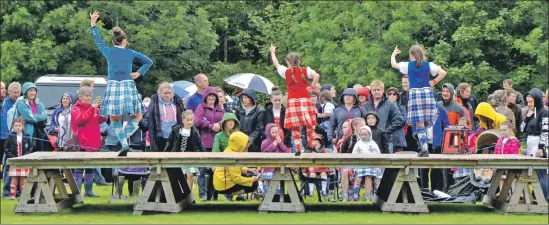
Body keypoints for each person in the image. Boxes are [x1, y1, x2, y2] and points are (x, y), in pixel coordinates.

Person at [89, 11, 153, 156]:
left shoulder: (108, 51)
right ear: (125, 41)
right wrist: (139, 72)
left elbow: (98, 41)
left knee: (114, 119)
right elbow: (149, 61)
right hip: (127, 85)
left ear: (113, 42)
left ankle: (123, 142)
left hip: (113, 86)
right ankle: (124, 140)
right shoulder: (131, 53)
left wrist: (93, 25)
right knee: (138, 116)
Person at [391, 45, 447, 157]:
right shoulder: (429, 65)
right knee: (426, 119)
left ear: (411, 55)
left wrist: (393, 54)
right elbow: (443, 73)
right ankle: (420, 136)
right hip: (427, 93)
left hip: (415, 93)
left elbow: (394, 64)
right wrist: (434, 82)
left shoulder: (408, 65)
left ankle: (423, 146)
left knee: (419, 122)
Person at [270, 44, 320, 155]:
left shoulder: (286, 72)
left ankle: (298, 147)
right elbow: (317, 76)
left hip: (292, 101)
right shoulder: (305, 70)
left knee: (295, 126)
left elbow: (276, 64)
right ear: (299, 61)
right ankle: (310, 144)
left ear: (288, 62)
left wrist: (272, 52)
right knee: (309, 123)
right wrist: (311, 87)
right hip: (304, 100)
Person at [71, 86, 107, 197]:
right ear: (80, 97)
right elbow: (80, 120)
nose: (89, 97)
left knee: (90, 167)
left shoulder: (94, 108)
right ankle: (77, 192)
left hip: (94, 143)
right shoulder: (75, 108)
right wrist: (92, 108)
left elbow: (102, 119)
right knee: (79, 168)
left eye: (90, 95)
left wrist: (103, 109)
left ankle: (88, 191)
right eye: (87, 95)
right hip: (82, 143)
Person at [194, 87, 224, 201]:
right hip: (204, 142)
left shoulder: (220, 109)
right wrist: (211, 126)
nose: (211, 98)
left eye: (213, 96)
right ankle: (202, 194)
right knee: (203, 170)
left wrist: (219, 125)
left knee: (215, 170)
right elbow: (197, 121)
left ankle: (213, 195)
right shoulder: (201, 107)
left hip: (217, 142)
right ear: (206, 97)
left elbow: (225, 120)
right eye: (209, 96)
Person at [164, 111, 204, 197]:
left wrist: (204, 154)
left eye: (191, 120)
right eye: (188, 120)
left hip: (190, 156)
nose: (189, 122)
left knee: (190, 174)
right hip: (177, 155)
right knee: (179, 175)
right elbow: (170, 142)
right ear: (183, 120)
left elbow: (200, 144)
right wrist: (165, 153)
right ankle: (179, 194)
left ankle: (188, 195)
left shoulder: (194, 131)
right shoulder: (176, 129)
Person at [521, 88, 548, 200]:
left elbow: (546, 131)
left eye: (531, 102)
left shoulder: (544, 113)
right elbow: (522, 129)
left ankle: (546, 197)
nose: (529, 104)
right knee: (535, 174)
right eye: (527, 102)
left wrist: (541, 147)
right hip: (531, 143)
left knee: (542, 173)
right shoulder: (530, 113)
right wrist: (527, 117)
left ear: (536, 100)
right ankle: (538, 196)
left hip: (539, 144)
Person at [213, 131, 259, 196]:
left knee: (250, 176)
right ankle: (230, 194)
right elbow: (237, 178)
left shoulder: (230, 149)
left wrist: (248, 170)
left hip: (221, 182)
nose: (247, 148)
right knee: (254, 184)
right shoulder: (233, 157)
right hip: (224, 185)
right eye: (245, 146)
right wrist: (251, 180)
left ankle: (231, 194)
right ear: (240, 145)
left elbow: (236, 169)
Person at [419, 104, 450, 191]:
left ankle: (436, 192)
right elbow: (415, 124)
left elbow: (447, 126)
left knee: (436, 170)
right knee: (423, 170)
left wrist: (442, 139)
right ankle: (424, 193)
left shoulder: (440, 109)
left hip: (437, 144)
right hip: (424, 145)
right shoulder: (420, 110)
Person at [146, 82, 184, 152]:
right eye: (165, 93)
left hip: (175, 136)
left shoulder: (177, 104)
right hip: (161, 137)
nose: (168, 95)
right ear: (160, 93)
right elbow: (151, 122)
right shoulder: (155, 105)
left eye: (169, 93)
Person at [5, 117, 33, 200]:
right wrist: (12, 157)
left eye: (19, 125)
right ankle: (12, 195)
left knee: (23, 179)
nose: (17, 127)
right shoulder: (10, 136)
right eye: (16, 125)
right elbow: (6, 148)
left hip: (23, 161)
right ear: (13, 127)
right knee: (14, 179)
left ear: (23, 126)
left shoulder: (27, 136)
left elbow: (30, 147)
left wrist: (25, 157)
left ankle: (23, 195)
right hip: (14, 161)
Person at [352, 125, 382, 202]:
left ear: (369, 134)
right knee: (358, 179)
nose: (363, 136)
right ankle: (355, 195)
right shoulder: (358, 144)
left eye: (365, 134)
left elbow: (377, 155)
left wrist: (377, 165)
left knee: (377, 179)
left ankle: (377, 196)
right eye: (362, 134)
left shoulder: (373, 143)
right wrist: (355, 166)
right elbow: (354, 156)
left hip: (372, 165)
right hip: (360, 165)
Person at [339, 118, 366, 201]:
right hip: (350, 164)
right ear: (354, 127)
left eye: (365, 125)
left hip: (363, 165)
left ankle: (355, 194)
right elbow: (342, 154)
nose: (364, 127)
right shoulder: (349, 139)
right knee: (344, 171)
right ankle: (345, 195)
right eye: (362, 125)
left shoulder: (366, 139)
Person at [1, 82, 21, 188]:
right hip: (6, 136)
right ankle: (7, 187)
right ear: (9, 92)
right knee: (7, 161)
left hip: (17, 136)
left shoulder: (20, 102)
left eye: (18, 92)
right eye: (14, 92)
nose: (17, 94)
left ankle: (17, 187)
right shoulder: (5, 104)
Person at [260, 123, 288, 196]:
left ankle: (277, 196)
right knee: (267, 181)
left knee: (276, 181)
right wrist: (273, 145)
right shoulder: (265, 142)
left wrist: (280, 143)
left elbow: (284, 149)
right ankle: (266, 195)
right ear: (268, 132)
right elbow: (264, 152)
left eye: (276, 132)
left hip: (277, 166)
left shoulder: (279, 141)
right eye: (273, 132)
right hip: (268, 166)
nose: (275, 134)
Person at [235, 88, 263, 153]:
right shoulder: (238, 110)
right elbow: (235, 125)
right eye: (243, 97)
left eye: (246, 97)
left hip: (255, 144)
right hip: (240, 141)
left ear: (251, 98)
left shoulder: (260, 111)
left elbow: (258, 128)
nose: (244, 99)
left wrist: (249, 140)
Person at [385, 87, 407, 152]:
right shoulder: (383, 107)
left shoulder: (402, 108)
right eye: (389, 94)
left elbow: (403, 121)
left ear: (397, 97)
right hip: (387, 138)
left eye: (394, 94)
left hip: (398, 138)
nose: (392, 95)